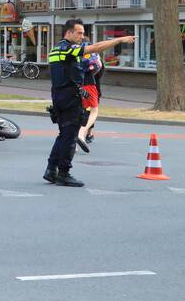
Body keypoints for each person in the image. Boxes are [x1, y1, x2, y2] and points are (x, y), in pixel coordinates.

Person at [45, 19, 134, 187]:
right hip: (70, 98)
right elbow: (95, 48)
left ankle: (51, 170)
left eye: (83, 33)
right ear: (69, 32)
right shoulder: (68, 49)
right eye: (79, 33)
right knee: (70, 136)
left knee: (63, 134)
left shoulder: (56, 48)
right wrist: (120, 40)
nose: (82, 36)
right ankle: (64, 173)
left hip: (59, 96)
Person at [77, 52, 104, 153]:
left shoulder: (76, 57)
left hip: (78, 84)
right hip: (89, 84)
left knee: (79, 112)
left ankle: (73, 143)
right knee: (94, 111)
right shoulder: (94, 57)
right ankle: (81, 134)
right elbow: (99, 69)